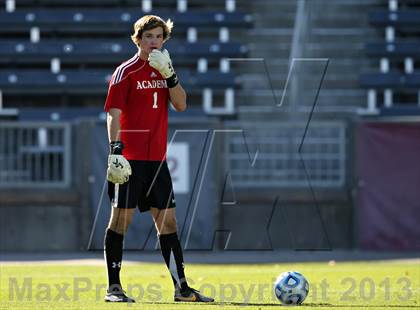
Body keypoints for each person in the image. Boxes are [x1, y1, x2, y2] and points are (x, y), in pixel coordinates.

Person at [103, 15, 214, 303]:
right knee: (120, 222)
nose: (154, 42)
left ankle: (182, 289)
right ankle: (114, 289)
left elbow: (181, 104)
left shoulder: (165, 70)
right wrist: (115, 149)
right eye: (148, 36)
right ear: (137, 39)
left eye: (159, 37)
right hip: (129, 160)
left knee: (169, 224)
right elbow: (112, 113)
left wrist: (171, 75)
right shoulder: (124, 72)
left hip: (157, 162)